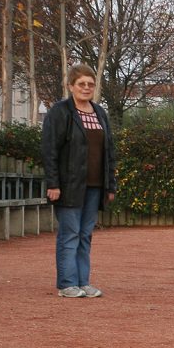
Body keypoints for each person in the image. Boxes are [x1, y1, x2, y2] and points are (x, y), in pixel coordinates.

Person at [41, 65, 117, 298]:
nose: (86, 88)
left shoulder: (99, 113)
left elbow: (109, 151)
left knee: (85, 235)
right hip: (69, 186)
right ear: (71, 86)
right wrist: (53, 183)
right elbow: (49, 150)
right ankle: (66, 284)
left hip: (94, 186)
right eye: (81, 84)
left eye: (90, 84)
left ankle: (83, 282)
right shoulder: (60, 112)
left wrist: (110, 184)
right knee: (70, 234)